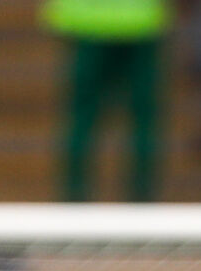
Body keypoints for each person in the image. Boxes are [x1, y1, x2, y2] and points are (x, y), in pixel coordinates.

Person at [42, 0, 170, 201]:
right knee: (142, 118)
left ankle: (74, 197)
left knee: (82, 116)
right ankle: (142, 198)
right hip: (139, 18)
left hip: (87, 19)